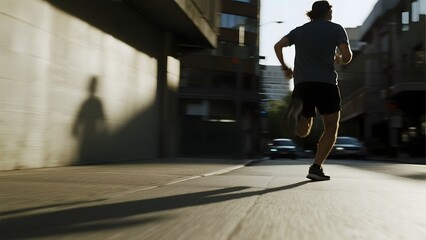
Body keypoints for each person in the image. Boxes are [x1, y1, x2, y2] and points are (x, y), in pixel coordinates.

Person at [274, 0, 352, 181]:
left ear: (312, 14)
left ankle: (300, 116)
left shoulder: (299, 31)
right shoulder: (336, 29)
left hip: (303, 84)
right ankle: (316, 168)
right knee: (331, 126)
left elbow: (277, 46)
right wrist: (339, 59)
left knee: (303, 130)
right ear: (328, 13)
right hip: (326, 84)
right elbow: (347, 56)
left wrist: (285, 68)